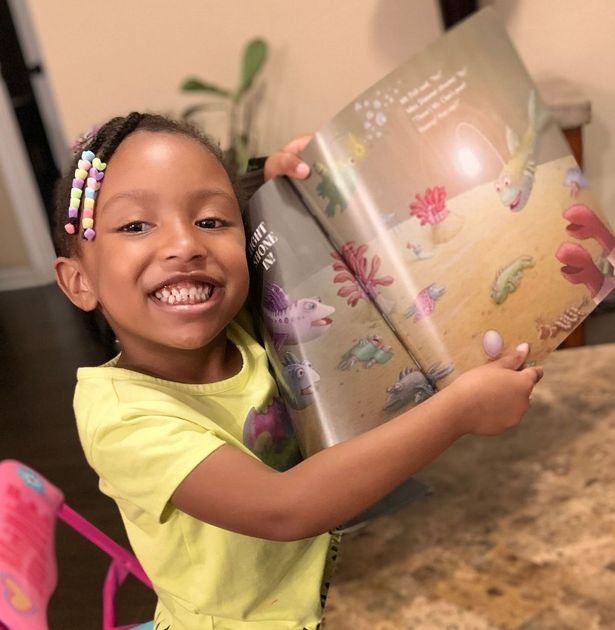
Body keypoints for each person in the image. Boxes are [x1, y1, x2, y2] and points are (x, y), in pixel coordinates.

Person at [53, 112, 543, 630]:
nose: (186, 244)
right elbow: (283, 509)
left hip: (346, 584)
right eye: (135, 225)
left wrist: (276, 184)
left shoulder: (242, 326)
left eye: (211, 221)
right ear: (79, 282)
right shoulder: (123, 418)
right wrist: (459, 411)